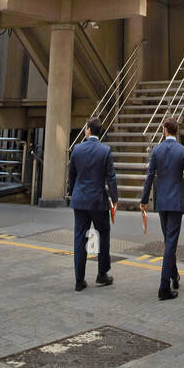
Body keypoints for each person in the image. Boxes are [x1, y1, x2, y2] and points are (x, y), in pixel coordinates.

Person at [140, 117, 184, 301]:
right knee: (171, 242)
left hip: (161, 201)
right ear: (176, 130)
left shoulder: (157, 150)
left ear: (165, 130)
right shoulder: (182, 151)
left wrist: (144, 200)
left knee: (168, 240)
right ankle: (164, 286)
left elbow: (149, 176)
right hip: (176, 202)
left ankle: (174, 275)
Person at [67, 119, 118, 292]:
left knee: (80, 238)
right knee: (103, 234)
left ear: (88, 130)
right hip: (98, 201)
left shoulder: (77, 149)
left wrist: (71, 192)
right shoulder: (105, 150)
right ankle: (102, 273)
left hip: (80, 199)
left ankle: (79, 279)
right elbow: (111, 177)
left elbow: (72, 174)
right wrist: (115, 199)